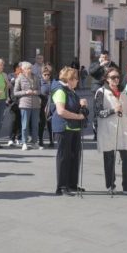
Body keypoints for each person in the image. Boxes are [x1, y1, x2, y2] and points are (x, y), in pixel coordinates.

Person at [94, 69, 127, 195]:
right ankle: (110, 186)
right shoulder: (101, 92)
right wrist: (113, 110)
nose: (116, 80)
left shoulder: (124, 92)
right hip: (108, 128)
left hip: (124, 128)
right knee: (109, 159)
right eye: (113, 77)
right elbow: (98, 113)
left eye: (117, 77)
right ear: (107, 78)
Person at [50, 66, 88, 195]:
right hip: (63, 127)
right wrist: (78, 116)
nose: (78, 81)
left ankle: (72, 184)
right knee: (63, 157)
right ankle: (61, 186)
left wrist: (82, 105)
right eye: (76, 78)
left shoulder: (71, 90)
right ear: (69, 79)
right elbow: (61, 111)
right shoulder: (60, 91)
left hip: (74, 127)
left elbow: (74, 107)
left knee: (74, 156)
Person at [12, 61, 42, 151]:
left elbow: (39, 90)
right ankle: (24, 142)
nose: (30, 70)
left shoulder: (35, 77)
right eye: (28, 68)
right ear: (23, 69)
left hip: (36, 104)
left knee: (35, 124)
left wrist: (37, 92)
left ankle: (34, 142)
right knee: (25, 124)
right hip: (25, 103)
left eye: (30, 68)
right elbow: (15, 92)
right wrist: (25, 92)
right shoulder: (19, 78)